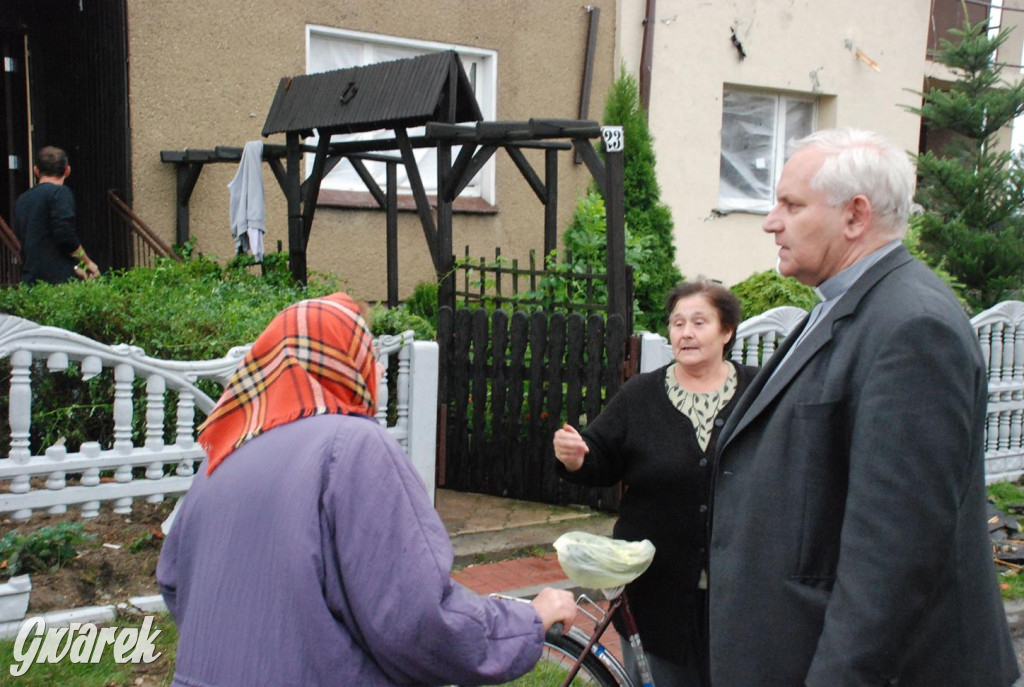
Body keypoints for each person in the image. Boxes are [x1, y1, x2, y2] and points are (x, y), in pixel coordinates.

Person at [708, 128, 1019, 686]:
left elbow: (892, 561)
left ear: (855, 216)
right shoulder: (845, 304)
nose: (770, 221)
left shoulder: (913, 327)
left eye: (791, 204)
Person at [157, 291, 577, 686]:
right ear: (344, 362)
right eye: (369, 354)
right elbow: (417, 618)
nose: (376, 370)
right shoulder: (352, 447)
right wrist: (527, 620)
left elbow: (175, 583)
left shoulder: (224, 458)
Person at [553, 279, 758, 687]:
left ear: (727, 331)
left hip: (740, 588)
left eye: (699, 322)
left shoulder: (759, 390)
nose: (686, 332)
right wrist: (576, 458)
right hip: (657, 588)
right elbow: (600, 457)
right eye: (678, 322)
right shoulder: (641, 395)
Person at [12, 146, 99, 284]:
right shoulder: (60, 193)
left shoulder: (22, 199)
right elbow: (65, 235)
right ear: (67, 171)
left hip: (30, 280)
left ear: (36, 170)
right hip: (58, 284)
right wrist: (88, 263)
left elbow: (26, 241)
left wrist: (75, 268)